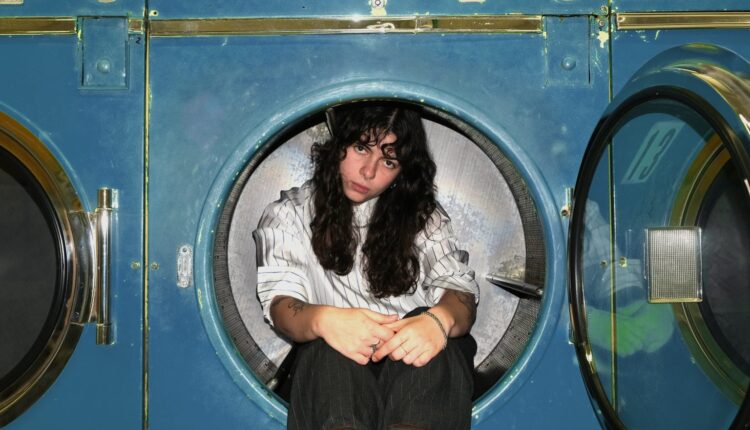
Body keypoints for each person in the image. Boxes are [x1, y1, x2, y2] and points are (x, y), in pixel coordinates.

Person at [253, 103, 479, 430]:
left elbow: (459, 291)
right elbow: (280, 305)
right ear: (338, 144)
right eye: (361, 148)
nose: (368, 172)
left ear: (402, 171)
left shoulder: (422, 217)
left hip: (413, 362)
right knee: (325, 349)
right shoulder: (290, 214)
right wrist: (323, 319)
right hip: (334, 368)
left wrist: (439, 320)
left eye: (388, 161)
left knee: (435, 340)